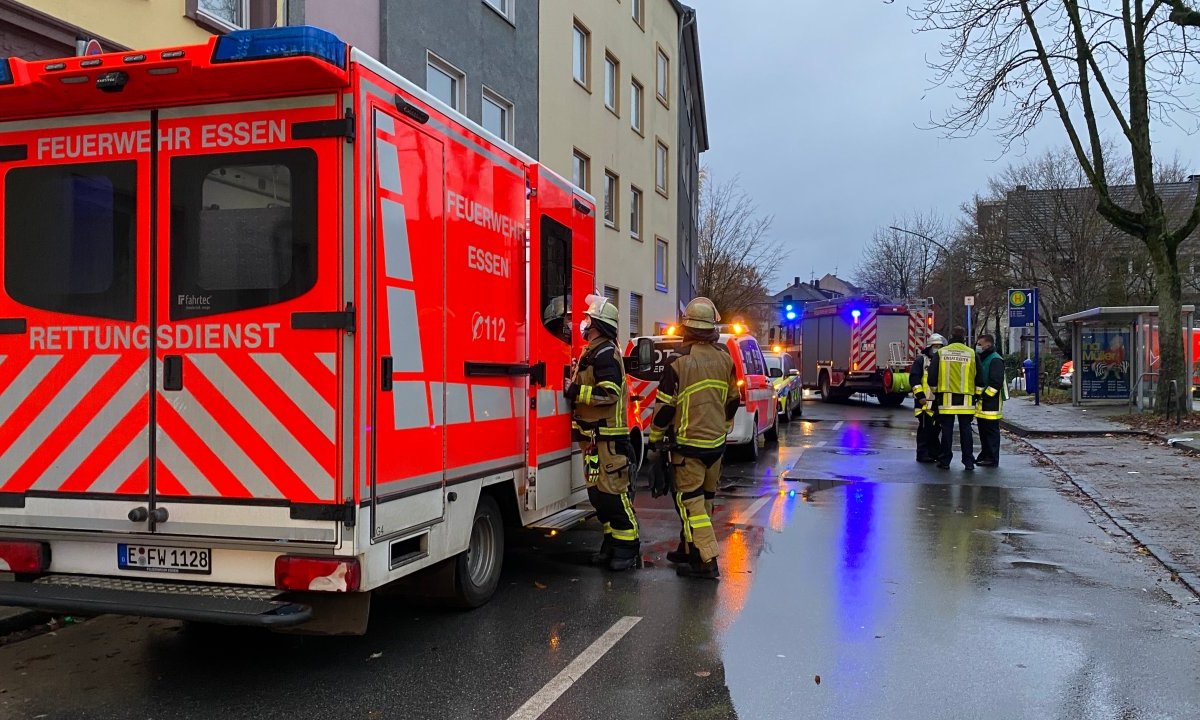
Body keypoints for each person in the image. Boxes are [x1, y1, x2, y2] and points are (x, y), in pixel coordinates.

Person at [647, 297, 739, 580]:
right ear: (712, 327)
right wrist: (722, 427)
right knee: (705, 500)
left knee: (691, 504)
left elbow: (664, 409)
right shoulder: (725, 357)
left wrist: (654, 439)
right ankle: (688, 548)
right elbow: (733, 400)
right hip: (716, 445)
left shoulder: (678, 361)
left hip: (687, 447)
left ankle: (706, 560)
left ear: (686, 327)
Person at [566, 296, 640, 571]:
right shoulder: (593, 351)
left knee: (615, 497)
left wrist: (577, 391)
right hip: (594, 443)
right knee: (599, 497)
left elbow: (610, 394)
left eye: (587, 319)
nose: (583, 324)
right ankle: (611, 545)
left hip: (610, 442)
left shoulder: (606, 353)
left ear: (596, 325)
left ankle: (628, 548)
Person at [926, 326, 977, 470]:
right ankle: (968, 461)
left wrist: (936, 393)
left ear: (950, 336)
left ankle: (945, 460)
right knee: (966, 431)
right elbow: (979, 378)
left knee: (946, 431)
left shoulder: (942, 353)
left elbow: (932, 378)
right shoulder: (971, 353)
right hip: (966, 399)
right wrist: (977, 395)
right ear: (964, 337)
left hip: (946, 399)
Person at [910, 333, 947, 463]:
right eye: (935, 346)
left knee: (935, 429)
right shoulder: (921, 360)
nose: (937, 349)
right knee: (925, 429)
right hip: (924, 402)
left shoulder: (943, 360)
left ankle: (934, 453)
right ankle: (923, 454)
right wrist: (920, 396)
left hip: (937, 402)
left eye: (940, 346)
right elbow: (914, 379)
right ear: (929, 347)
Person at [974, 333, 1006, 467]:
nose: (977, 347)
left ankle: (992, 458)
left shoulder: (995, 359)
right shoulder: (984, 358)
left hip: (991, 403)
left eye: (980, 344)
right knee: (983, 431)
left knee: (991, 432)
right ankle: (985, 454)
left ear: (988, 344)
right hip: (984, 402)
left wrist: (985, 396)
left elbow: (996, 383)